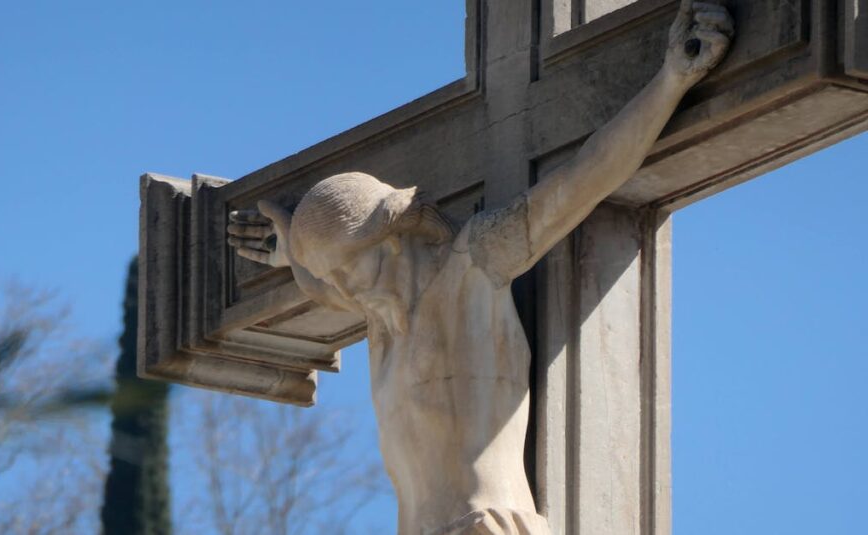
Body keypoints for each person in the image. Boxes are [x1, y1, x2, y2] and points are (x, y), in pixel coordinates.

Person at [227, 2, 733, 533]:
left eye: (346, 268)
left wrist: (670, 82)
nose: (340, 288)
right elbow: (324, 285)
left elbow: (587, 177)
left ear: (392, 238)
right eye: (331, 276)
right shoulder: (379, 315)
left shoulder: (473, 266)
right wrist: (294, 253)